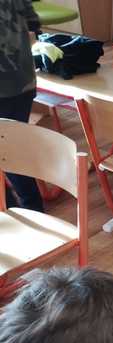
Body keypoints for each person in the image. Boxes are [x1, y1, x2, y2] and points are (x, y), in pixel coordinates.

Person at [0, 0, 45, 212]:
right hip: (22, 80)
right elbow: (33, 21)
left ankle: (26, 209)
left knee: (9, 151)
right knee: (12, 149)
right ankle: (24, 206)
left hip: (9, 87)